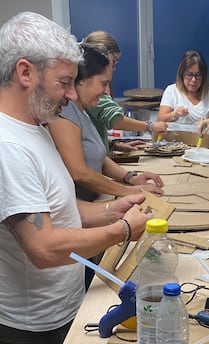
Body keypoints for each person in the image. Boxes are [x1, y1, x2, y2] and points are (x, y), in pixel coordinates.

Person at [0, 11, 153, 344]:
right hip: (34, 328)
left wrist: (110, 211)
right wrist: (122, 230)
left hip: (65, 309)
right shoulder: (7, 145)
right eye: (63, 82)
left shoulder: (35, 128)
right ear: (25, 72)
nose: (71, 95)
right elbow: (43, 247)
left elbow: (58, 209)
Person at [48, 44, 164, 202]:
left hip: (94, 200)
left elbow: (97, 158)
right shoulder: (65, 112)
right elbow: (79, 172)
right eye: (103, 83)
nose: (107, 92)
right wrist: (128, 191)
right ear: (82, 81)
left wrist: (131, 178)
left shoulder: (83, 111)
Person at [84, 31, 168, 154]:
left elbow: (90, 136)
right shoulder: (91, 90)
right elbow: (116, 120)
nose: (114, 68)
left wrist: (113, 145)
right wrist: (151, 126)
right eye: (114, 61)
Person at [157, 50, 209, 124]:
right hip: (177, 135)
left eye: (198, 75)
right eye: (189, 75)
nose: (193, 80)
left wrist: (205, 124)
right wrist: (175, 114)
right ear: (182, 74)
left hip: (201, 135)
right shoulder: (171, 91)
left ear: (204, 76)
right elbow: (160, 120)